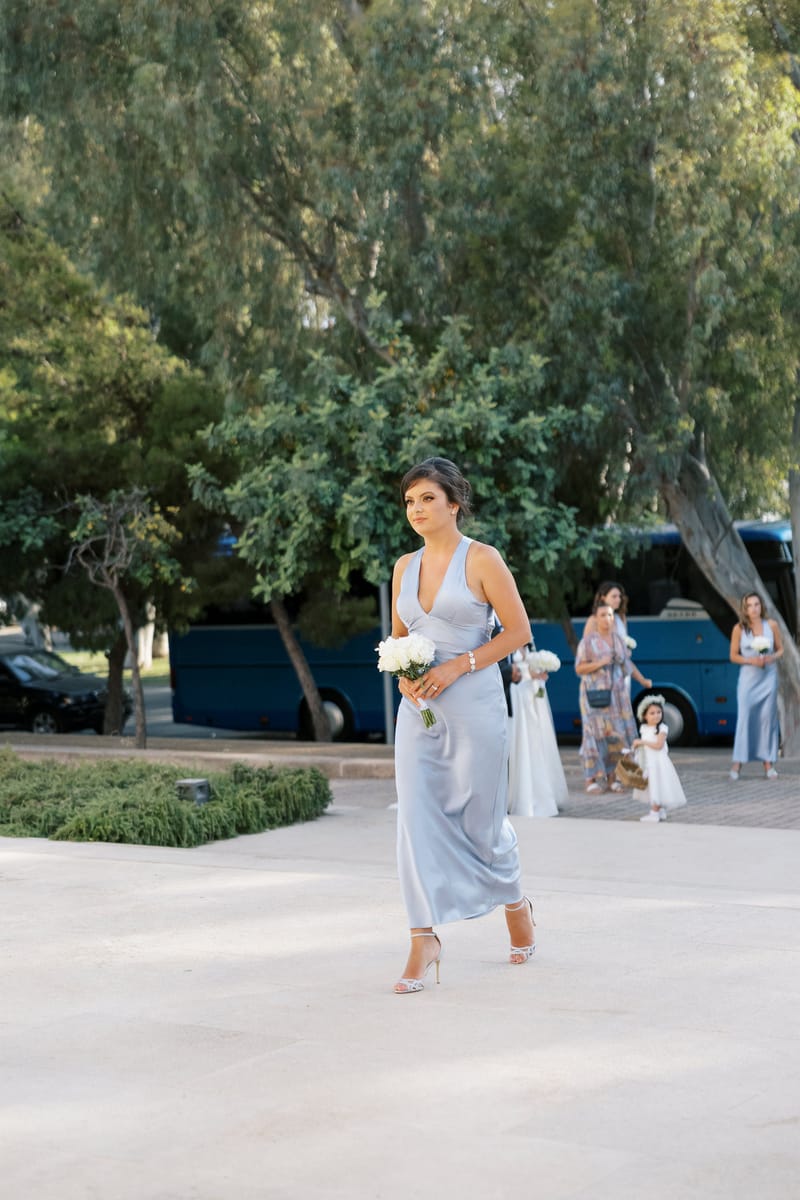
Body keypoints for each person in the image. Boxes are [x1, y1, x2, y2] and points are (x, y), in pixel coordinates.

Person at [390, 457, 536, 994]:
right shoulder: (403, 567)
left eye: (427, 498)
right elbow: (400, 639)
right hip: (420, 712)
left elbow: (518, 631)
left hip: (474, 703)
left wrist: (460, 664)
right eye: (410, 501)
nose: (417, 509)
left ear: (454, 503)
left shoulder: (483, 559)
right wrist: (405, 678)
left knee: (480, 818)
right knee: (414, 816)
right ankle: (422, 936)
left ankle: (514, 899)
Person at [575, 603, 638, 793]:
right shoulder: (587, 642)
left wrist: (641, 679)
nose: (607, 618)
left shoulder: (618, 640)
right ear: (596, 618)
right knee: (594, 735)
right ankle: (591, 778)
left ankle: (613, 778)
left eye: (610, 615)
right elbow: (579, 668)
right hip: (594, 696)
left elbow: (627, 667)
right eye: (603, 615)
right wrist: (600, 662)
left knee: (616, 735)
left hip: (617, 695)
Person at [507, 644, 567, 818]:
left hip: (532, 694)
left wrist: (539, 674)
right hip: (518, 695)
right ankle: (523, 794)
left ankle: (542, 791)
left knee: (537, 743)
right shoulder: (507, 637)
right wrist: (528, 674)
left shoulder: (528, 643)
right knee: (523, 743)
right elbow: (510, 671)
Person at [729, 591, 783, 780]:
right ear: (745, 609)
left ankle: (768, 763)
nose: (754, 608)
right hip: (748, 680)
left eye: (757, 604)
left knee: (767, 719)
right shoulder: (739, 629)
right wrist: (751, 661)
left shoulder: (772, 625)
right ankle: (737, 763)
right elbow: (733, 656)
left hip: (768, 677)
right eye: (750, 605)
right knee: (745, 718)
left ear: (762, 606)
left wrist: (771, 658)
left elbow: (780, 649)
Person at [583, 581, 651, 690]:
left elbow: (625, 657)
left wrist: (641, 680)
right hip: (601, 678)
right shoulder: (593, 620)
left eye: (620, 596)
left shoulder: (621, 618)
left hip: (621, 677)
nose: (618, 599)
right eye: (614, 596)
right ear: (603, 598)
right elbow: (585, 652)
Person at [631, 694, 688, 822]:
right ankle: (660, 811)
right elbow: (644, 748)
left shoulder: (662, 728)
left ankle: (654, 812)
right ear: (644, 716)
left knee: (657, 785)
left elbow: (658, 745)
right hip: (649, 762)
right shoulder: (645, 728)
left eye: (658, 712)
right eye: (652, 713)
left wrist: (641, 742)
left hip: (658, 762)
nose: (656, 715)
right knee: (652, 786)